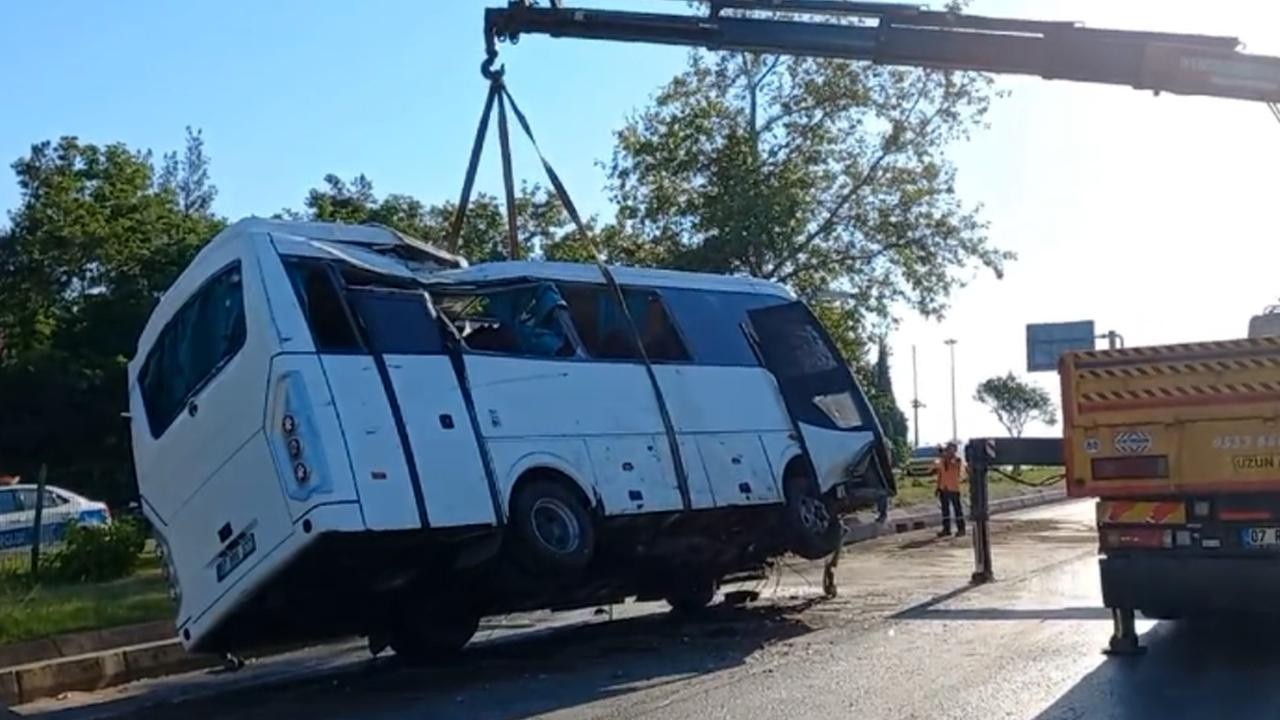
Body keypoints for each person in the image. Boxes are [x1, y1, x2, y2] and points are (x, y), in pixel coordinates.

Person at [934, 441, 966, 537]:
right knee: (945, 510)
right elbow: (940, 474)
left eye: (951, 449)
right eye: (948, 448)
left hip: (954, 488)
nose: (948, 451)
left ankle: (961, 529)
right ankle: (946, 529)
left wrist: (947, 457)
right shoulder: (942, 461)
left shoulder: (957, 460)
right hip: (944, 487)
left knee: (957, 509)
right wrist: (938, 487)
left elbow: (957, 466)